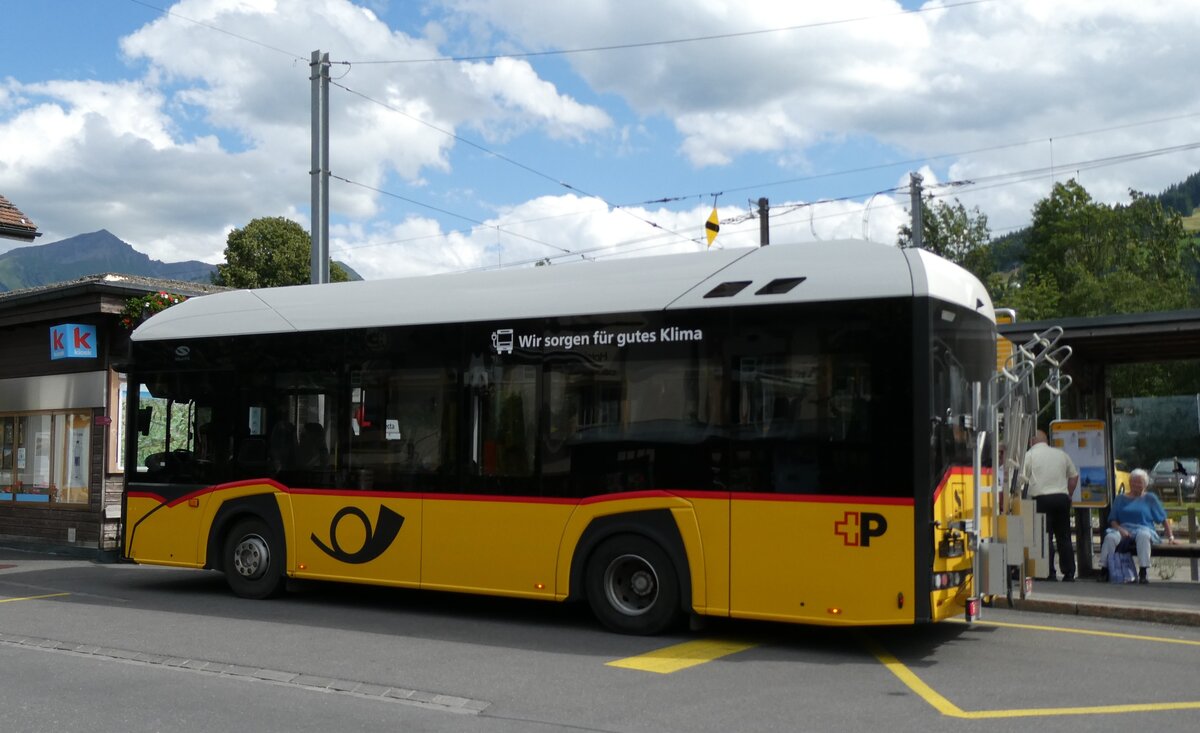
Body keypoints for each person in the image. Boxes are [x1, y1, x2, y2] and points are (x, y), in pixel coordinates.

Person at [1097, 468, 1176, 584]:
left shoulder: (1150, 498)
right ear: (1129, 483)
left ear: (1145, 484)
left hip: (1144, 528)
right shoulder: (1120, 499)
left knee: (1143, 536)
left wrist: (1171, 537)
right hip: (1123, 528)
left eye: (1139, 482)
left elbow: (1163, 519)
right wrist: (1120, 529)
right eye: (1133, 481)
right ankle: (1104, 570)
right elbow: (1113, 520)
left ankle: (1143, 571)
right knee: (1110, 538)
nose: (1136, 485)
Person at [1021, 429, 1080, 581]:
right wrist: (1069, 494)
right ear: (1046, 440)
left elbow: (1021, 479)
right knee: (1064, 536)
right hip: (1061, 498)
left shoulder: (1029, 456)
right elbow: (1074, 476)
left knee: (1043, 537)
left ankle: (1048, 572)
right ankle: (1069, 572)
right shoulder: (1061, 454)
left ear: (1031, 442)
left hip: (1041, 499)